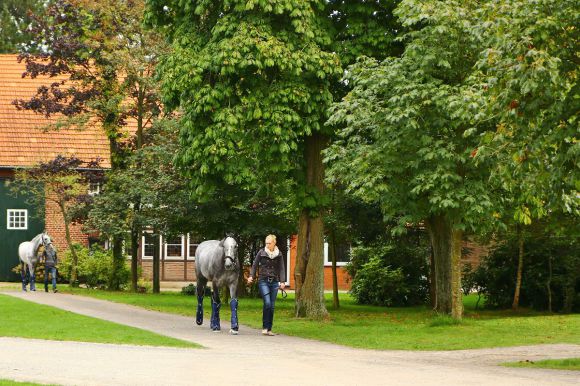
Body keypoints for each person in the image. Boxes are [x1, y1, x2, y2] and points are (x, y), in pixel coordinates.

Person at [247, 234, 286, 336]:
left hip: (274, 282)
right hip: (263, 280)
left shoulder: (279, 254)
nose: (267, 245)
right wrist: (251, 276)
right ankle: (264, 327)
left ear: (274, 243)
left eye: (269, 243)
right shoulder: (262, 252)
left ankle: (269, 329)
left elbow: (282, 268)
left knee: (272, 306)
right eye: (266, 243)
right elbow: (255, 265)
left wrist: (282, 281)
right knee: (267, 303)